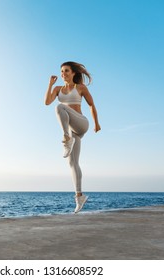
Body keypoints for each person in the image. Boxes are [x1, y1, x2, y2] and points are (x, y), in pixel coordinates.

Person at [44, 61, 101, 213]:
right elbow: (47, 102)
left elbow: (91, 105)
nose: (63, 74)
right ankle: (79, 196)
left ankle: (65, 138)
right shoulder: (58, 89)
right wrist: (50, 84)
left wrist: (97, 123)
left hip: (82, 124)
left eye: (66, 71)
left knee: (60, 107)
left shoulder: (80, 88)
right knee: (73, 163)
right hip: (72, 130)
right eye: (62, 71)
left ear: (74, 73)